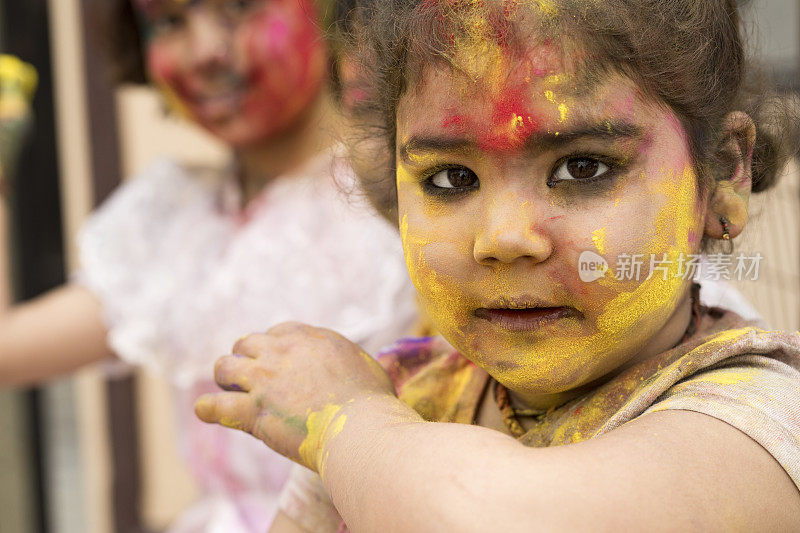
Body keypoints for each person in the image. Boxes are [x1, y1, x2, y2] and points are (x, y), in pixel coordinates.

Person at [195, 0, 800, 530]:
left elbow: (489, 517)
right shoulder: (406, 393)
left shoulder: (762, 421)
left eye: (582, 167)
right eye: (451, 178)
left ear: (722, 174)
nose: (504, 238)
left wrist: (344, 421)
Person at [0, 0, 415, 531]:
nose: (205, 52)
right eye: (170, 22)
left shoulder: (409, 201)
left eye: (240, 7)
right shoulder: (175, 221)